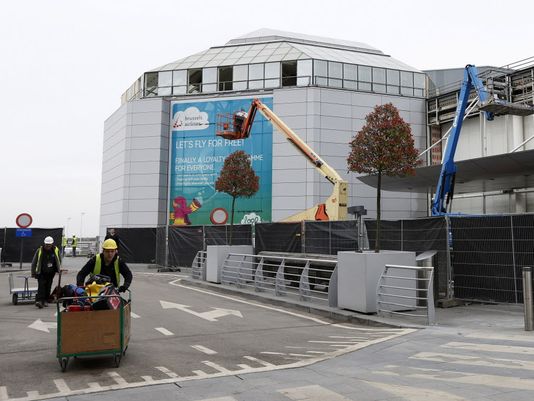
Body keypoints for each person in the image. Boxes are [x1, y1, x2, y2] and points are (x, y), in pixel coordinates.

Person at [31, 236, 61, 308]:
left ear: (52, 244)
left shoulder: (56, 250)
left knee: (48, 286)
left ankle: (45, 300)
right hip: (41, 272)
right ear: (44, 244)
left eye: (49, 245)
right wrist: (33, 272)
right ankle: (39, 301)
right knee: (41, 286)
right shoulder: (40, 250)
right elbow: (34, 262)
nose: (48, 246)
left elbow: (59, 260)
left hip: (51, 272)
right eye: (47, 245)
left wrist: (59, 269)